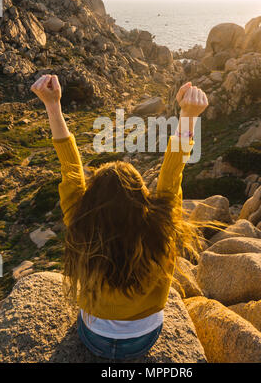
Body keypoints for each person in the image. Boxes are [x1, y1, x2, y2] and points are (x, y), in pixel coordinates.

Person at [31, 75, 208, 361]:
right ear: (142, 199)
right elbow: (173, 171)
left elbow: (70, 166)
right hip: (144, 338)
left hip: (95, 338)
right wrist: (188, 115)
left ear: (93, 200)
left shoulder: (80, 217)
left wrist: (53, 106)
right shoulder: (160, 223)